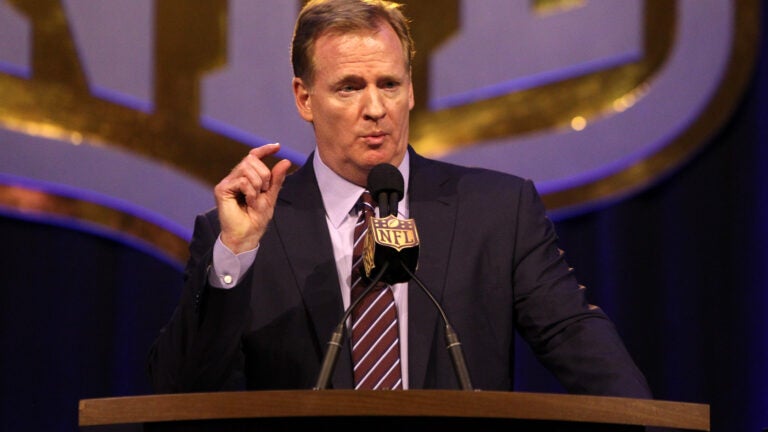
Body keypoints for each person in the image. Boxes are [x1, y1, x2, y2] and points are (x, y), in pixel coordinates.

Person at [147, 0, 652, 398]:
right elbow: (180, 388)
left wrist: (648, 422)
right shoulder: (244, 231)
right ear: (304, 98)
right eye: (349, 87)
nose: (375, 108)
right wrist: (236, 256)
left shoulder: (498, 211)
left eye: (389, 84)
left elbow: (574, 336)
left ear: (410, 90)